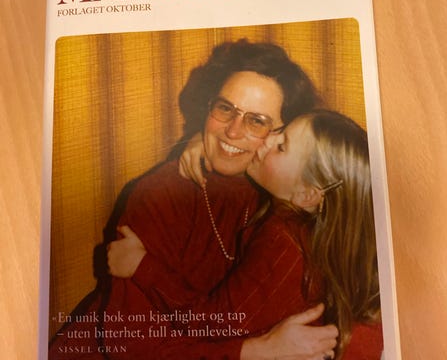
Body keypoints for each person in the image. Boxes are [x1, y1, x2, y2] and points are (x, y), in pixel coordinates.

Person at [49, 40, 338, 360]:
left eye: (256, 121)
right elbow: (133, 347)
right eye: (225, 109)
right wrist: (255, 351)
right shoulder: (160, 193)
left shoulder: (286, 198)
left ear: (285, 135)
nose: (232, 131)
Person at [109, 109, 383, 359]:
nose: (267, 140)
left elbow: (215, 324)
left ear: (306, 195)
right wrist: (203, 142)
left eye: (281, 147)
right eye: (280, 131)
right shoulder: (304, 223)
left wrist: (141, 266)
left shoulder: (284, 242)